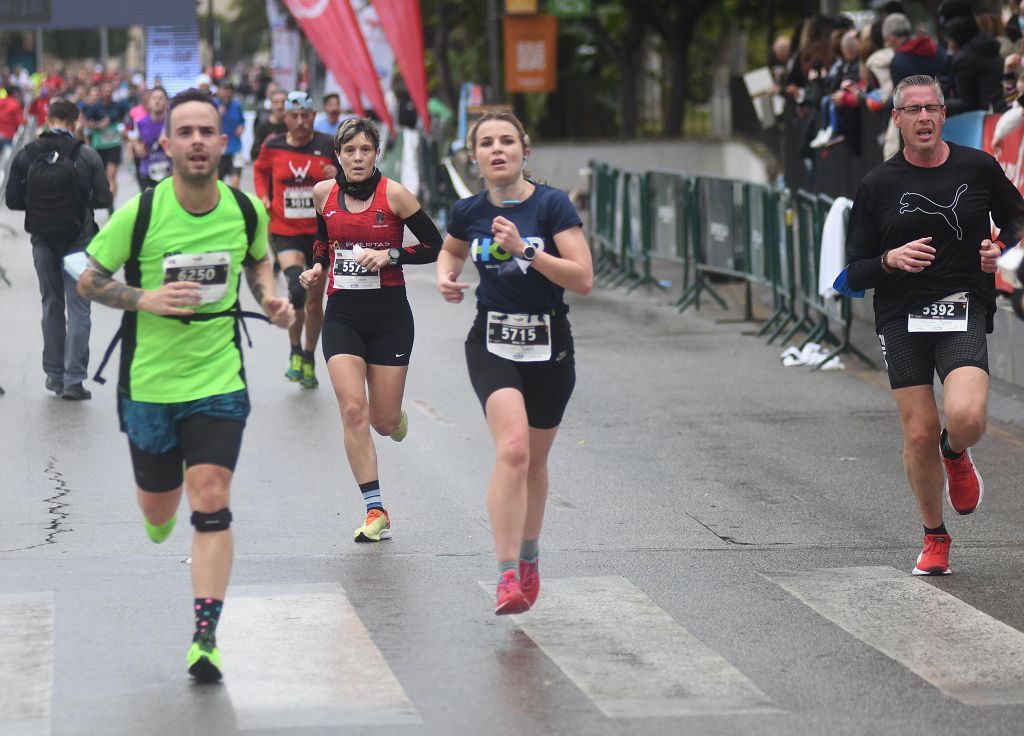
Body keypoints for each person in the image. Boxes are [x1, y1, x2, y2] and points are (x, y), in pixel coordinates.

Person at [76, 88, 294, 681]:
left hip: (218, 378)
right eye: (186, 132)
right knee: (159, 507)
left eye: (208, 131)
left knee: (212, 496)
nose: (197, 141)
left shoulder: (247, 209)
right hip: (147, 385)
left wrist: (270, 299)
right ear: (165, 143)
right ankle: (156, 510)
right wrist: (144, 297)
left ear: (224, 143)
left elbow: (256, 260)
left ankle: (205, 636)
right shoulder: (139, 214)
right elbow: (89, 280)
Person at [845, 75, 1024, 577]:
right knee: (918, 431)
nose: (924, 118)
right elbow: (852, 270)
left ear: (944, 115)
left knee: (966, 417)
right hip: (901, 316)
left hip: (962, 304)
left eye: (933, 108)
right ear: (896, 118)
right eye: (913, 110)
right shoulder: (878, 185)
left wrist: (1000, 249)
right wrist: (889, 259)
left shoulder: (977, 167)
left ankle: (956, 453)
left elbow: (1017, 223)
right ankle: (935, 535)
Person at [435, 111, 593, 614]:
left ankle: (528, 556)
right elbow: (452, 252)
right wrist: (445, 276)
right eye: (487, 142)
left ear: (526, 151)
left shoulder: (552, 205)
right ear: (475, 156)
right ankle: (506, 575)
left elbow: (582, 278)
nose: (497, 149)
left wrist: (526, 249)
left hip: (550, 345)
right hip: (492, 342)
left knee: (536, 462)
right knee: (514, 450)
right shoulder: (467, 211)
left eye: (507, 140)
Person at [298, 117, 442, 543]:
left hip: (389, 317)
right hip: (342, 314)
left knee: (379, 420)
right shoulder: (324, 194)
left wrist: (392, 255)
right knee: (351, 410)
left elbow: (433, 244)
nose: (357, 158)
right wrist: (317, 268)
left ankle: (392, 416)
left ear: (376, 153)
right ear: (338, 156)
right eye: (349, 151)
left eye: (365, 150)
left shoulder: (394, 194)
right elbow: (322, 243)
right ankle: (375, 508)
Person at [5, 98, 112, 400]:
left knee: (51, 305)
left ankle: (54, 375)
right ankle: (74, 379)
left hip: (42, 242)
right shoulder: (86, 155)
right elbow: (104, 199)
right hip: (79, 242)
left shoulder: (27, 155)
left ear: (48, 118)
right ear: (76, 121)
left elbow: (12, 200)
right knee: (79, 307)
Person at [253, 90, 339, 387]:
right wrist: (263, 195)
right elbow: (260, 169)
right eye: (295, 116)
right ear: (285, 118)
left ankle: (310, 356)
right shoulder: (272, 145)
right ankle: (294, 351)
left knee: (315, 302)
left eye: (306, 116)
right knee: (296, 289)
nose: (301, 121)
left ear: (313, 117)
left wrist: (336, 174)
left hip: (319, 233)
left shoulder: (328, 144)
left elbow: (350, 182)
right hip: (284, 230)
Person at [83, 81, 129, 210]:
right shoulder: (95, 107)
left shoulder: (118, 106)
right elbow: (87, 124)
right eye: (105, 91)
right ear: (101, 93)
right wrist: (99, 125)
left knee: (112, 175)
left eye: (110, 92)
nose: (107, 94)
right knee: (102, 177)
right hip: (99, 146)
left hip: (114, 144)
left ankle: (111, 205)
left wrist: (124, 128)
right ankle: (105, 199)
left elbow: (126, 118)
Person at [128, 86, 170, 191]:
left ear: (166, 102)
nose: (157, 101)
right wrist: (136, 147)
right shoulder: (141, 123)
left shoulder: (172, 122)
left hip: (169, 173)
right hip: (147, 173)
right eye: (154, 98)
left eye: (161, 98)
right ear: (149, 102)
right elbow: (132, 140)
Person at [217, 82, 244, 187]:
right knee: (218, 183)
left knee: (235, 180)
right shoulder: (214, 105)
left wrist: (241, 127)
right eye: (223, 91)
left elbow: (241, 121)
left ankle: (235, 200)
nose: (226, 94)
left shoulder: (237, 105)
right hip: (220, 151)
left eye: (229, 91)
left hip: (235, 148)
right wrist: (217, 115)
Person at [250, 88, 287, 161]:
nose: (280, 106)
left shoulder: (292, 127)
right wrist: (267, 144)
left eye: (283, 102)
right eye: (276, 102)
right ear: (271, 105)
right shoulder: (263, 127)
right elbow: (254, 154)